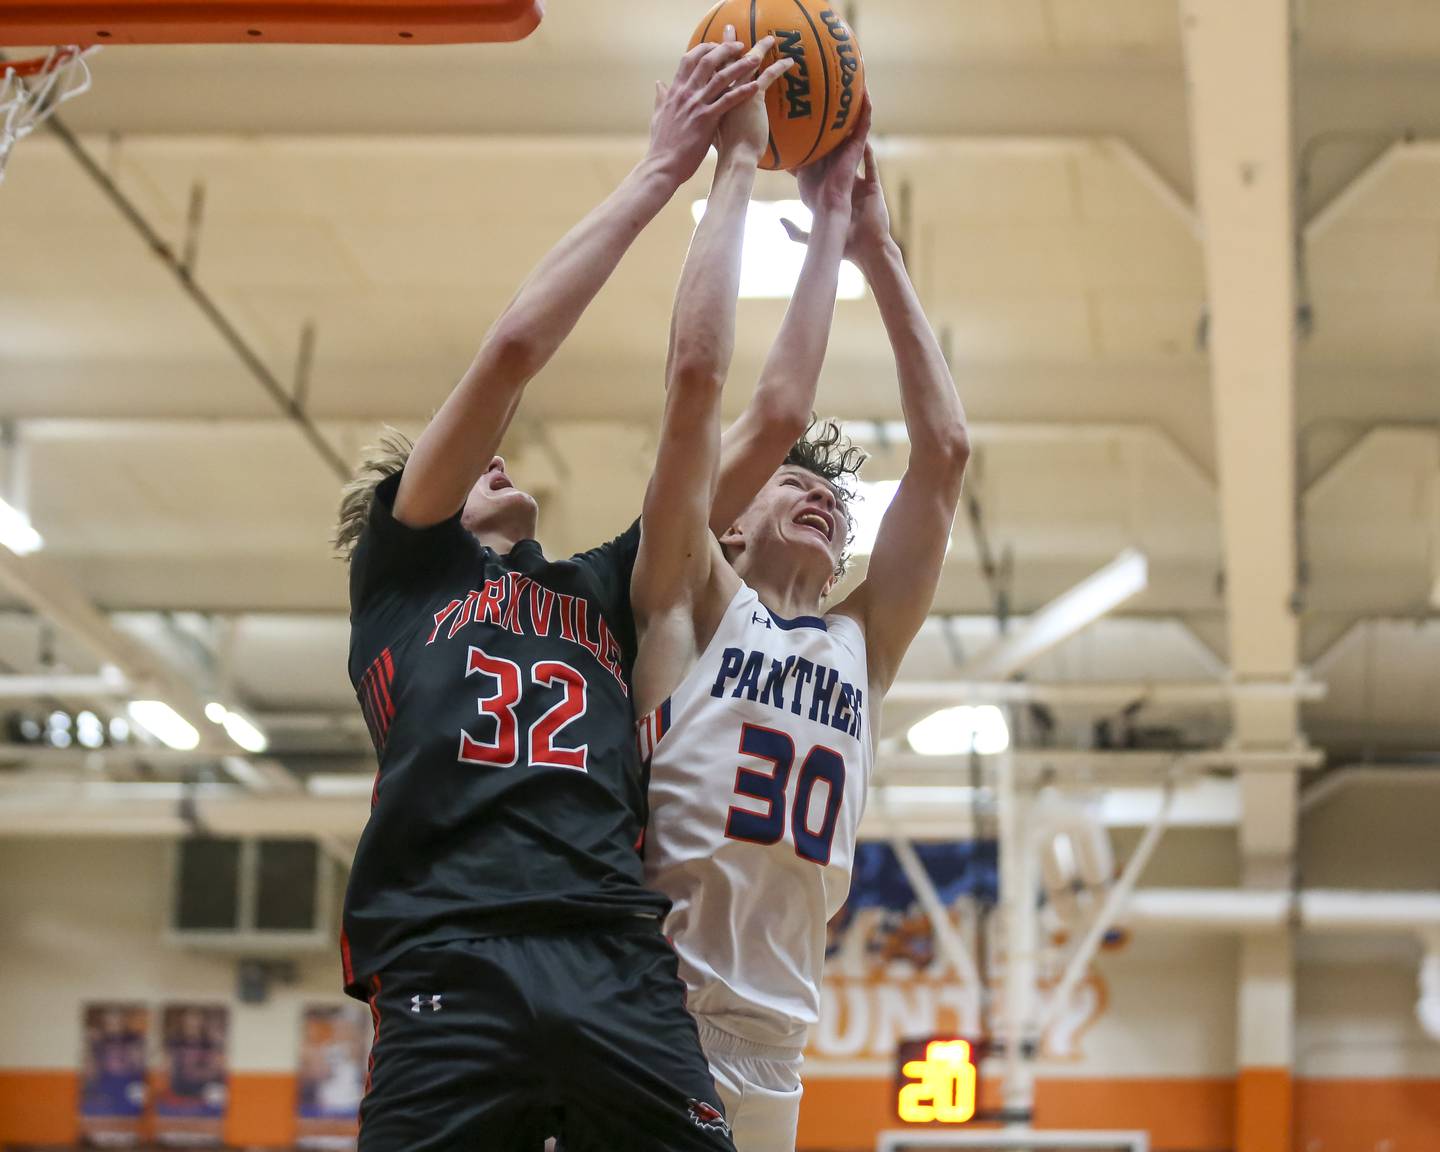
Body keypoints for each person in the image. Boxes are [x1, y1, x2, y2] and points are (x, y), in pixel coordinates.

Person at [331, 33, 809, 1152]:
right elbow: (508, 354)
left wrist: (741, 169)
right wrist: (660, 169)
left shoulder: (602, 591)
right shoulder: (405, 575)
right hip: (450, 954)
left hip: (614, 954)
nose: (496, 460)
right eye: (461, 467)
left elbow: (748, 408)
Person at [631, 114, 972, 1151]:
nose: (828, 501)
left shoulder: (858, 648)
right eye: (798, 486)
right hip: (656, 1017)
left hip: (778, 1043)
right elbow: (730, 391)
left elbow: (946, 451)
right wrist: (803, 215)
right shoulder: (692, 596)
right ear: (730, 520)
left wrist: (880, 251)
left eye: (837, 499)